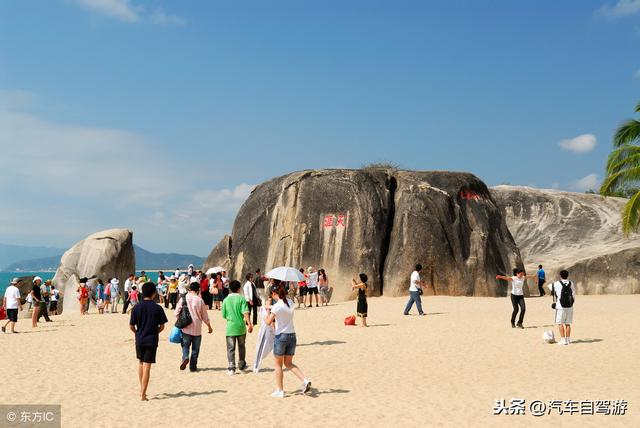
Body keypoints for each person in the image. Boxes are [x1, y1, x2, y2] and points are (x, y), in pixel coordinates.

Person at [265, 283, 311, 398]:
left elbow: (268, 322)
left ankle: (280, 390)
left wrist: (265, 313)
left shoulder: (277, 306)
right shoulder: (290, 302)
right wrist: (270, 308)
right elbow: (281, 308)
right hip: (292, 335)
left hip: (281, 336)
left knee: (278, 365)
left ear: (274, 293)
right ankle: (304, 380)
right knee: (289, 363)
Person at [129, 282, 168, 401]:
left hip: (140, 339)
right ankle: (143, 394)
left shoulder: (136, 307)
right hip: (151, 340)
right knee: (147, 366)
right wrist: (155, 332)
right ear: (154, 293)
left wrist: (137, 333)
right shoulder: (157, 308)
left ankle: (142, 390)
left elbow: (131, 326)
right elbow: (162, 326)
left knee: (141, 363)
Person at [176, 282, 213, 372]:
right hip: (197, 328)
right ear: (198, 290)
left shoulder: (183, 298)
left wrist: (181, 320)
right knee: (195, 349)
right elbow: (204, 316)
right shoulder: (200, 300)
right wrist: (209, 326)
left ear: (189, 289)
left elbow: (176, 312)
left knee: (185, 346)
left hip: (186, 327)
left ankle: (185, 357)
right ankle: (193, 367)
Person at [221, 280, 253, 375]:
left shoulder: (226, 300)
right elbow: (245, 312)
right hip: (241, 327)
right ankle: (242, 366)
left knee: (231, 348)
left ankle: (231, 368)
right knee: (242, 346)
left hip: (230, 327)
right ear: (239, 289)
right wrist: (249, 323)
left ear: (230, 288)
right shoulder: (241, 299)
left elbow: (224, 315)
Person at [549, 270, 576, 345]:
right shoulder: (571, 283)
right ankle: (568, 339)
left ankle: (563, 339)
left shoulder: (556, 283)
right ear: (567, 275)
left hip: (560, 306)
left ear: (560, 276)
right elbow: (573, 294)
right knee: (568, 323)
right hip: (570, 306)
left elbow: (549, 287)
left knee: (560, 323)